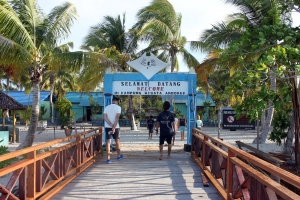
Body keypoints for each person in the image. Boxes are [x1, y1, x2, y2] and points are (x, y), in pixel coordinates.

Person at [103, 96, 123, 164]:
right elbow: (117, 118)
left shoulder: (106, 107)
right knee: (117, 141)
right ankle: (118, 155)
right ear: (117, 102)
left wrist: (110, 125)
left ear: (112, 101)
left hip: (107, 127)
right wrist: (114, 127)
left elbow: (105, 118)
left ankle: (108, 159)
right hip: (116, 127)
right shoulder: (118, 108)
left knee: (108, 142)